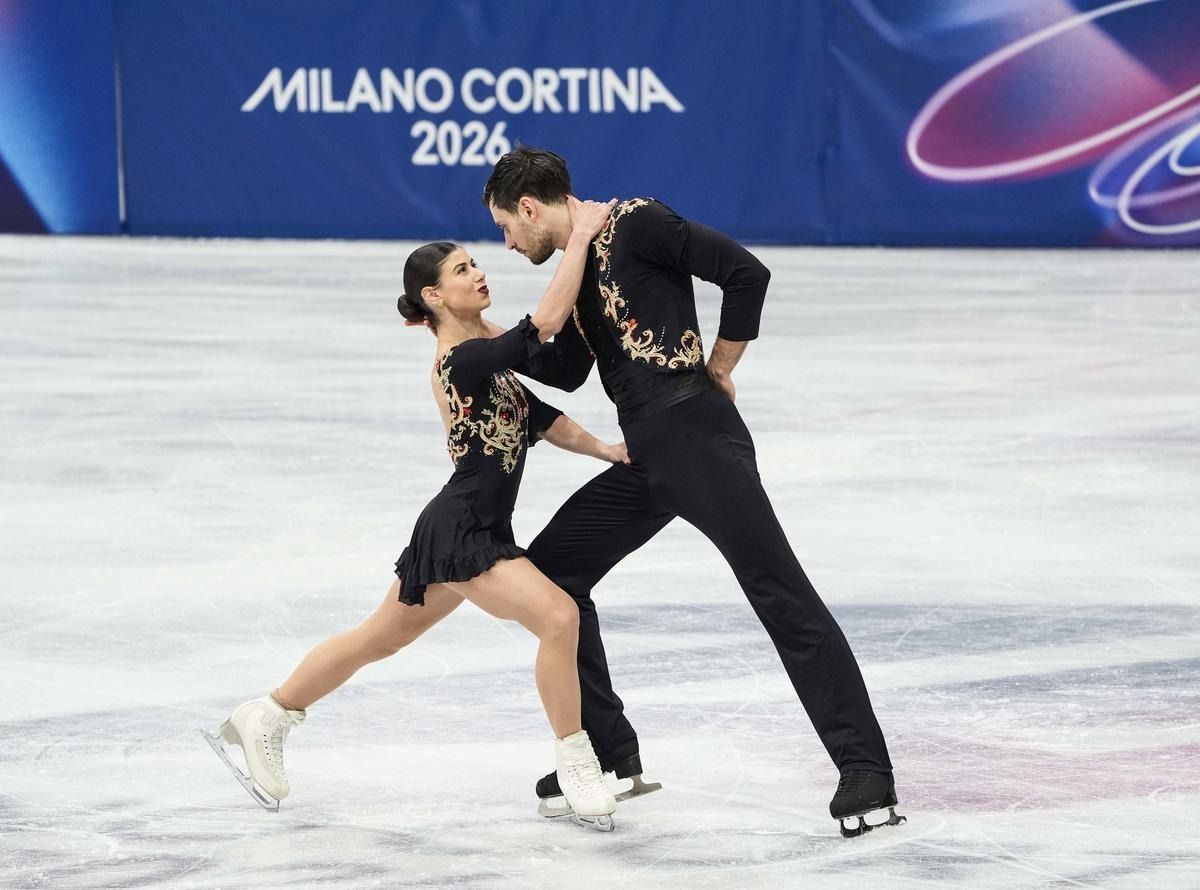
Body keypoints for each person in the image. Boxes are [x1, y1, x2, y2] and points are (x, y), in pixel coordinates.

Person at [482, 146, 904, 837]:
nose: (506, 242)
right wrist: (481, 338)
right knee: (552, 578)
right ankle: (611, 752)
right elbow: (567, 369)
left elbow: (746, 273)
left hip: (699, 441)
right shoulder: (577, 262)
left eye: (505, 226)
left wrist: (721, 366)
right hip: (648, 456)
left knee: (780, 594)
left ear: (529, 208)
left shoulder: (637, 221)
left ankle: (867, 771)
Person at [202, 198, 628, 829]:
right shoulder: (463, 359)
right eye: (462, 270)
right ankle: (576, 763)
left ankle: (265, 714)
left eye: (475, 264)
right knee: (559, 616)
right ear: (433, 296)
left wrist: (607, 450)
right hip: (463, 531)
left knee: (378, 639)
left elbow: (542, 418)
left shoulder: (488, 357)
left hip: (468, 526)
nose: (478, 273)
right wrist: (580, 240)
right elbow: (541, 325)